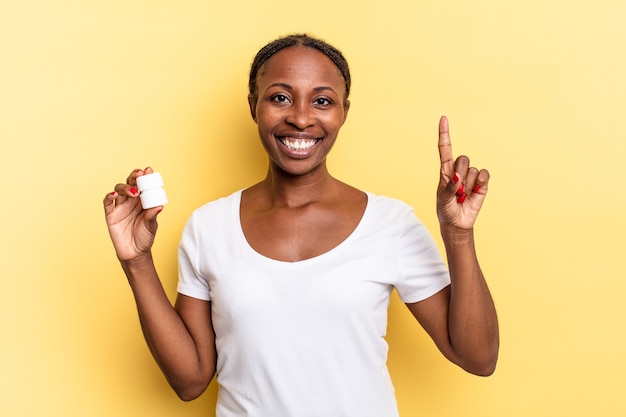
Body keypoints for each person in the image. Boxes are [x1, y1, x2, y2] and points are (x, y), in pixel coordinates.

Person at [103, 33, 499, 417]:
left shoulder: (390, 224)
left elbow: (478, 358)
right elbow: (190, 383)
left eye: (322, 101)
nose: (301, 118)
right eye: (280, 98)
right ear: (253, 105)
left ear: (344, 111)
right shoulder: (208, 226)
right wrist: (137, 263)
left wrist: (458, 235)